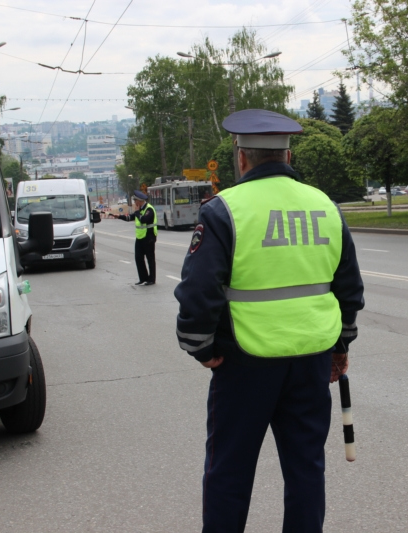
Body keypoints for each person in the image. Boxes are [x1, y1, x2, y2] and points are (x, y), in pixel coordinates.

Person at [174, 109, 365, 532]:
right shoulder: (325, 207)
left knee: (229, 472)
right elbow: (349, 291)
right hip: (312, 360)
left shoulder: (223, 210)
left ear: (241, 158)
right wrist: (341, 347)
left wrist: (201, 348)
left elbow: (197, 293)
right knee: (306, 471)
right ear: (289, 156)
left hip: (244, 361)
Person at [114, 190, 157, 285]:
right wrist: (119, 217)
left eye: (135, 201)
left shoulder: (149, 209)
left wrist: (137, 212)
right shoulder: (140, 210)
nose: (134, 203)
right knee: (138, 258)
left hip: (149, 237)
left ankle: (151, 279)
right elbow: (130, 217)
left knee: (150, 259)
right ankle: (143, 278)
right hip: (140, 238)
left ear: (140, 201)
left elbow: (143, 220)